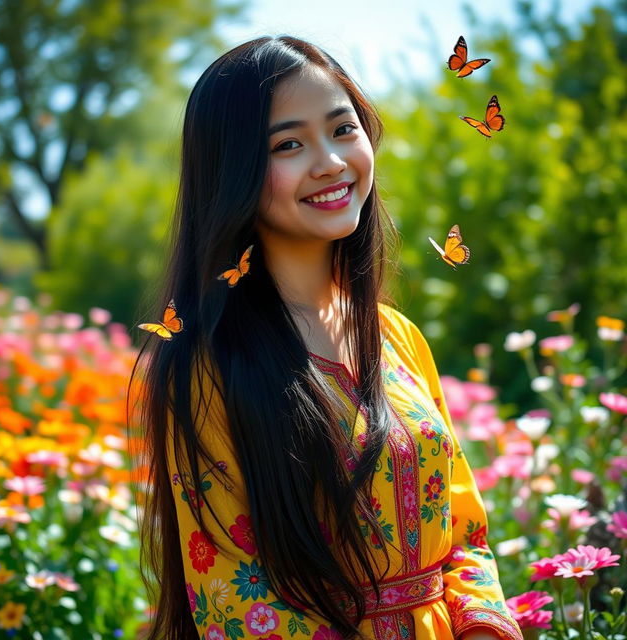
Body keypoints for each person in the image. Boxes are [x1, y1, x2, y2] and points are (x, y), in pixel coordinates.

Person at [130, 35, 523, 640]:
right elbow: (238, 598)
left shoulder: (396, 335)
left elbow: (465, 531)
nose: (331, 162)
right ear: (231, 172)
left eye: (343, 129)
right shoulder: (206, 367)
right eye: (289, 144)